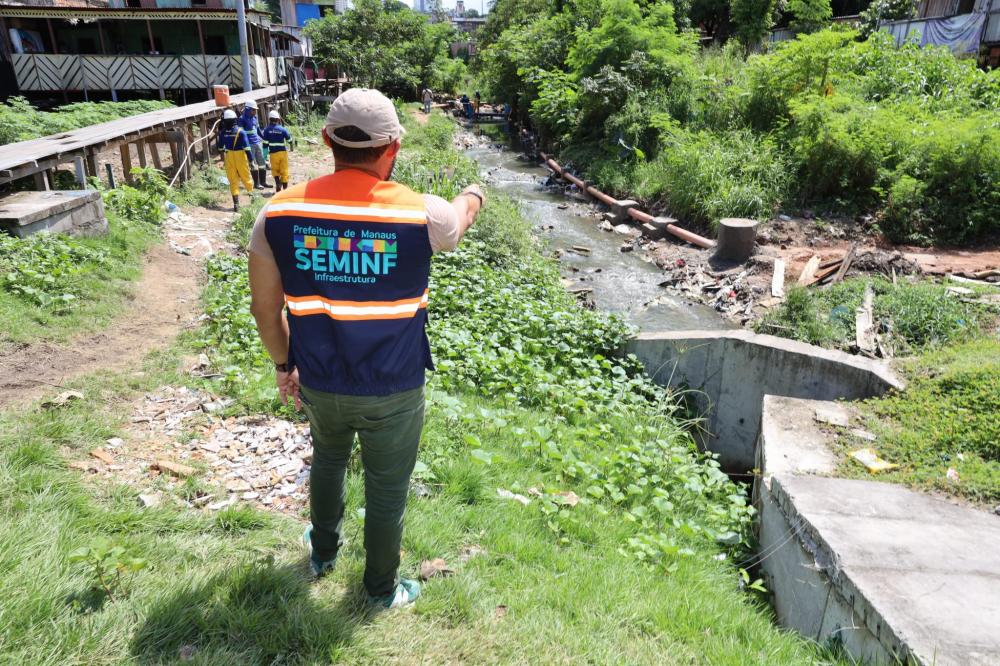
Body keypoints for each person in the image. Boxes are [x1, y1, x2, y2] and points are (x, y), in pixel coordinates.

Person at [247, 88, 484, 610]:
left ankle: (322, 553)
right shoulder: (423, 213)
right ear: (392, 147)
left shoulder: (278, 212)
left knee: (328, 461)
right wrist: (473, 195)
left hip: (320, 379)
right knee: (387, 490)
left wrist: (285, 364)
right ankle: (380, 590)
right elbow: (459, 222)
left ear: (327, 139)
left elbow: (266, 311)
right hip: (394, 388)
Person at [217, 108, 253, 211]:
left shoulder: (223, 132)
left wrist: (222, 160)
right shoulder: (241, 132)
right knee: (246, 177)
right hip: (240, 156)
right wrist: (251, 160)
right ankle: (253, 198)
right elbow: (247, 148)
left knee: (233, 180)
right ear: (235, 119)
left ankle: (236, 204)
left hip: (229, 156)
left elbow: (220, 148)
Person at [238, 99, 269, 190]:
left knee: (262, 163)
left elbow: (258, 130)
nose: (255, 111)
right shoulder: (241, 119)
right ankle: (256, 184)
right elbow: (240, 134)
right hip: (249, 145)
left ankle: (263, 182)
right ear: (247, 109)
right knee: (253, 164)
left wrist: (264, 138)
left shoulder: (255, 118)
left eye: (255, 110)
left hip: (257, 143)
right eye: (253, 110)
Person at [261, 110, 292, 192]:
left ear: (269, 119)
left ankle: (278, 184)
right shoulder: (282, 129)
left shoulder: (266, 130)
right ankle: (285, 190)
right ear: (278, 119)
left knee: (275, 170)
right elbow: (289, 140)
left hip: (273, 154)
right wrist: (291, 143)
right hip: (282, 153)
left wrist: (265, 155)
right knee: (284, 171)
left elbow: (265, 145)